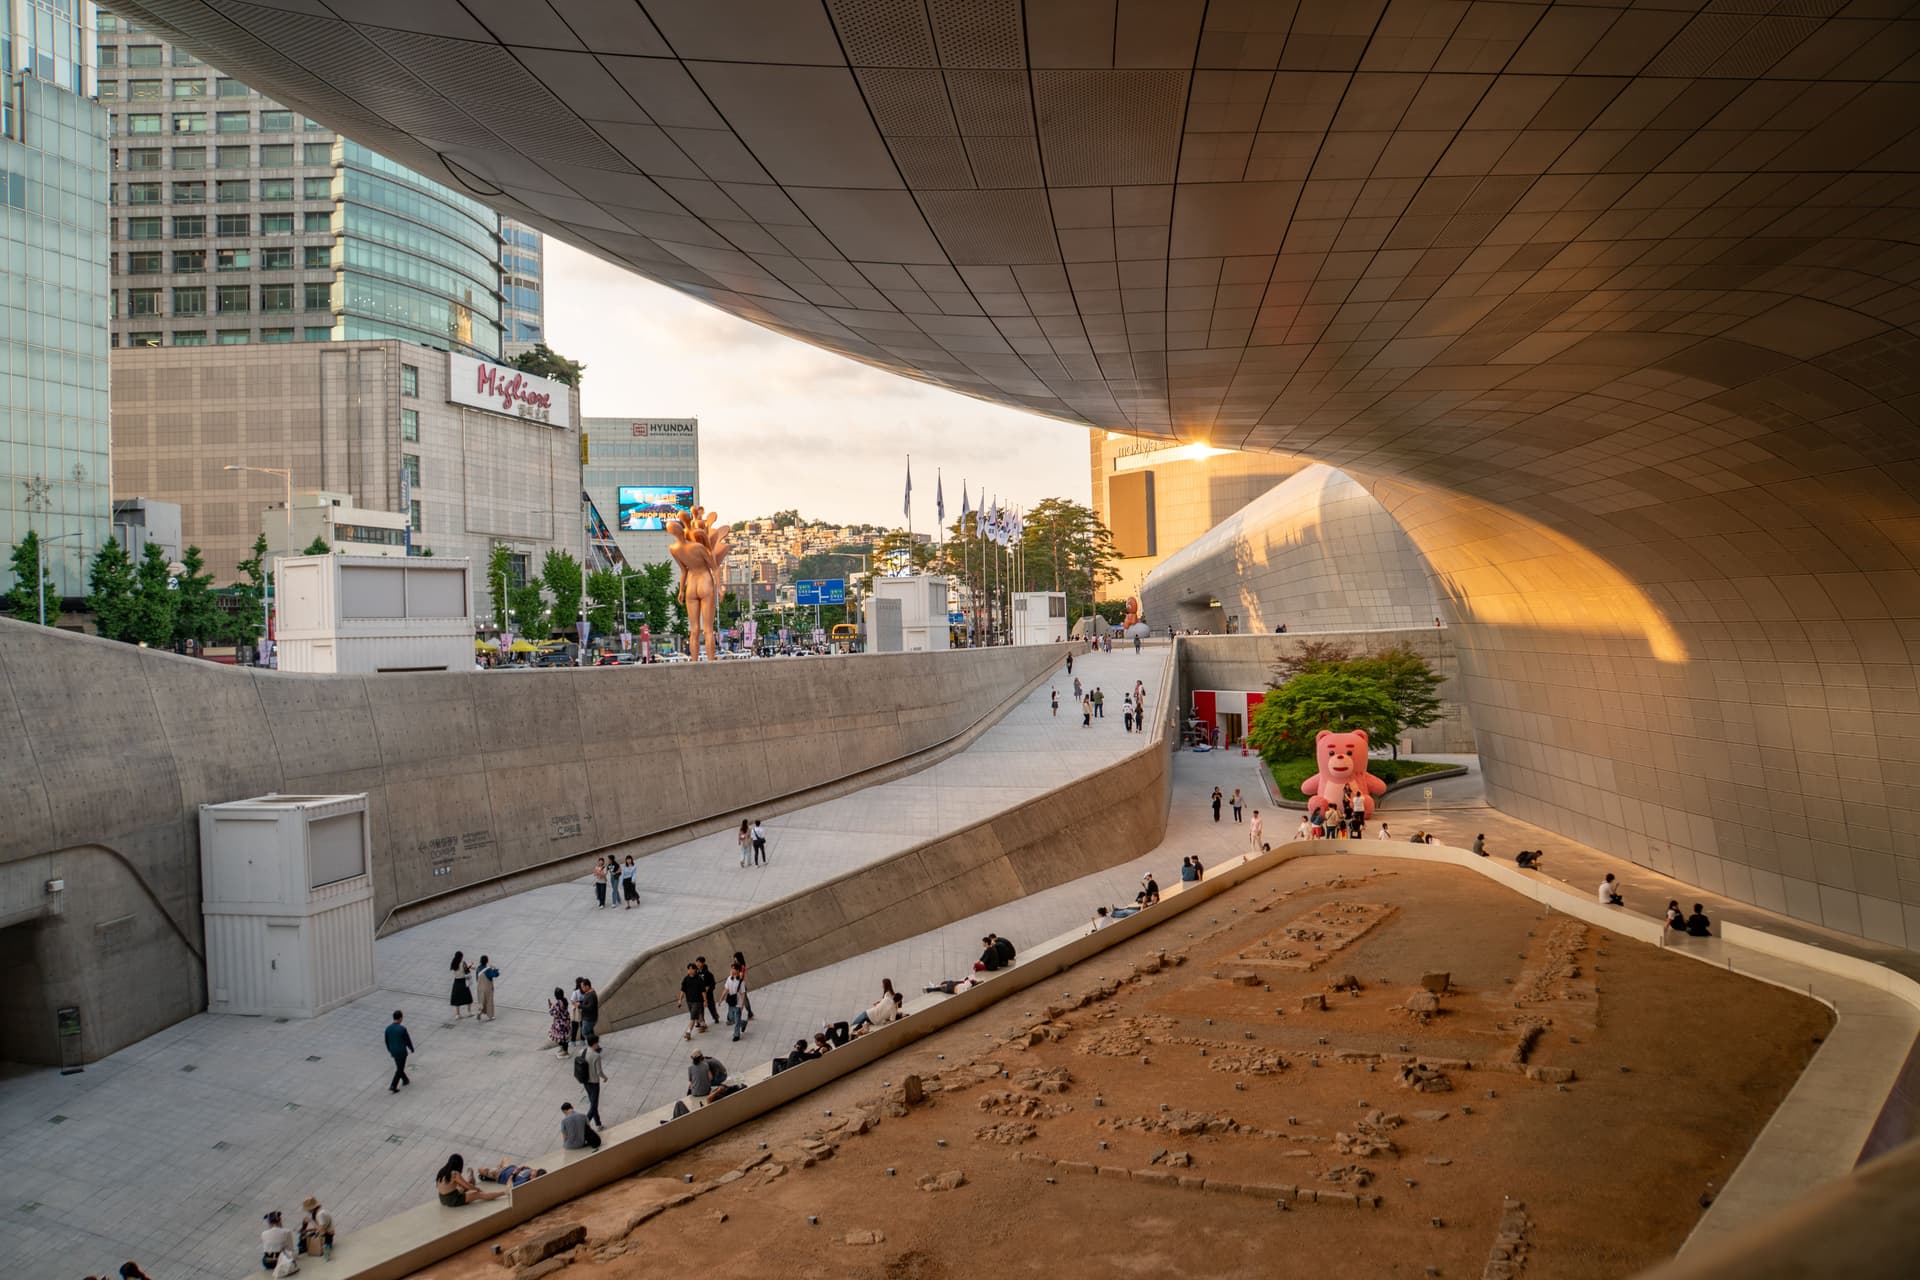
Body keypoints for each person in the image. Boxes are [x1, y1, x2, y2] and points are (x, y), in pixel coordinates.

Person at [578, 1034, 607, 1127]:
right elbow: (599, 1071)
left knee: (593, 1103)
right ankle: (585, 1124)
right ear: (594, 1043)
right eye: (597, 1042)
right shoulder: (596, 1056)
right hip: (594, 1082)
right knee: (594, 1105)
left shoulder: (582, 1051)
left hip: (585, 1081)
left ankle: (598, 1124)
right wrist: (605, 1077)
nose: (598, 1044)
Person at [384, 1009, 413, 1092]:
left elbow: (386, 1041)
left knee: (399, 1066)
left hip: (393, 1051)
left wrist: (390, 1050)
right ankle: (393, 1085)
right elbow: (407, 1040)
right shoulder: (402, 1029)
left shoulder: (388, 1029)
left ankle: (405, 1079)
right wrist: (411, 1048)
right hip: (401, 1052)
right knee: (400, 1068)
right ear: (400, 1018)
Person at [678, 963, 707, 1038]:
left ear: (695, 970)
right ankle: (703, 1025)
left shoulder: (699, 979)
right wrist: (680, 1000)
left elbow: (703, 991)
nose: (690, 970)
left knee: (693, 1017)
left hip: (697, 1001)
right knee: (697, 1015)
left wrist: (705, 1000)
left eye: (692, 969)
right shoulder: (686, 979)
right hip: (689, 1001)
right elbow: (682, 990)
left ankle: (688, 1033)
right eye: (689, 969)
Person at [725, 962, 750, 1041]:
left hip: (738, 1003)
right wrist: (721, 999)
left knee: (736, 1021)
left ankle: (736, 1035)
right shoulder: (729, 978)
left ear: (737, 970)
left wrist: (742, 1005)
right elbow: (726, 989)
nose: (732, 970)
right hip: (731, 1002)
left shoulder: (741, 982)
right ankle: (743, 1023)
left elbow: (743, 994)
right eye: (731, 968)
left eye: (733, 968)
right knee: (732, 1018)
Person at [477, 1160, 546, 1188]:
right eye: (535, 1170)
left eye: (532, 1176)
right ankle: (496, 1168)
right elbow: (527, 1170)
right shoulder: (532, 1172)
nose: (532, 1172)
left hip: (501, 1174)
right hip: (509, 1167)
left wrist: (513, 1174)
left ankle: (491, 1174)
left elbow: (509, 1186)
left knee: (480, 1169)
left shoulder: (525, 1181)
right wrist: (523, 1167)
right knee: (505, 1158)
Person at [696, 956, 721, 1026]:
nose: (697, 963)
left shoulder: (708, 973)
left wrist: (709, 988)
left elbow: (713, 983)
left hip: (708, 994)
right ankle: (701, 1022)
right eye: (696, 962)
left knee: (711, 1007)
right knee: (700, 1009)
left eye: (699, 962)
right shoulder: (696, 973)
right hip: (699, 995)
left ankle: (716, 1017)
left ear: (703, 963)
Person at [449, 951, 473, 1020]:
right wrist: (470, 966)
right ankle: (469, 1012)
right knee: (468, 997)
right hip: (463, 981)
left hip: (456, 981)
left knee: (457, 998)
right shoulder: (463, 963)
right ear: (461, 956)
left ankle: (457, 1014)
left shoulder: (454, 963)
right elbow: (467, 971)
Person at [474, 954, 498, 1022]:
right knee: (489, 1001)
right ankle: (491, 1016)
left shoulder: (478, 968)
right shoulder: (488, 970)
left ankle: (479, 1011)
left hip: (480, 987)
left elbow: (477, 978)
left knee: (481, 1001)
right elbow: (495, 975)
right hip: (488, 987)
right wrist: (495, 968)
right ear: (487, 961)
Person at [548, 987, 571, 1056]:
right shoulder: (564, 1000)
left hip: (560, 1024)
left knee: (562, 1038)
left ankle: (565, 1051)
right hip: (565, 1022)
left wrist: (550, 1007)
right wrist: (553, 1006)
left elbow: (554, 1013)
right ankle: (563, 1049)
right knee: (564, 1037)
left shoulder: (558, 1003)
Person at [576, 977, 600, 1042]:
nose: (581, 988)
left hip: (589, 1019)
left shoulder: (591, 995)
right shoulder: (589, 993)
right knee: (590, 1033)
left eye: (583, 987)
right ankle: (594, 1045)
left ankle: (593, 1045)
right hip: (589, 1018)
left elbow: (589, 1007)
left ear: (587, 986)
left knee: (585, 1033)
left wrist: (579, 1006)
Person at [567, 981, 584, 1046]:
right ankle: (582, 1041)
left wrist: (577, 1005)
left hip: (576, 1011)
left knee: (574, 1026)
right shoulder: (585, 991)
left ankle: (573, 1041)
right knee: (582, 1025)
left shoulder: (576, 992)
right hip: (583, 1010)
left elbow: (572, 1001)